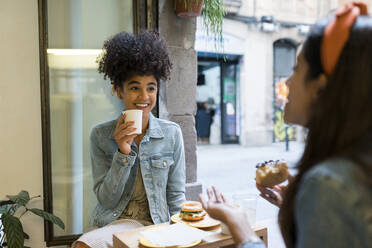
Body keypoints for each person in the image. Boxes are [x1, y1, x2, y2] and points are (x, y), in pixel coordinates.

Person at [200, 2, 372, 248]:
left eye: (296, 69)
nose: (288, 82)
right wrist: (298, 207)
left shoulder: (328, 186)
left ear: (320, 89)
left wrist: (240, 227)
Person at [73, 30, 186, 248]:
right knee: (84, 245)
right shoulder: (100, 135)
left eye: (150, 88)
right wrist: (123, 152)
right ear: (118, 90)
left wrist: (180, 233)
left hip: (155, 223)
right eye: (135, 88)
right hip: (112, 222)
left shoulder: (172, 133)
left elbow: (176, 196)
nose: (144, 97)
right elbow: (106, 200)